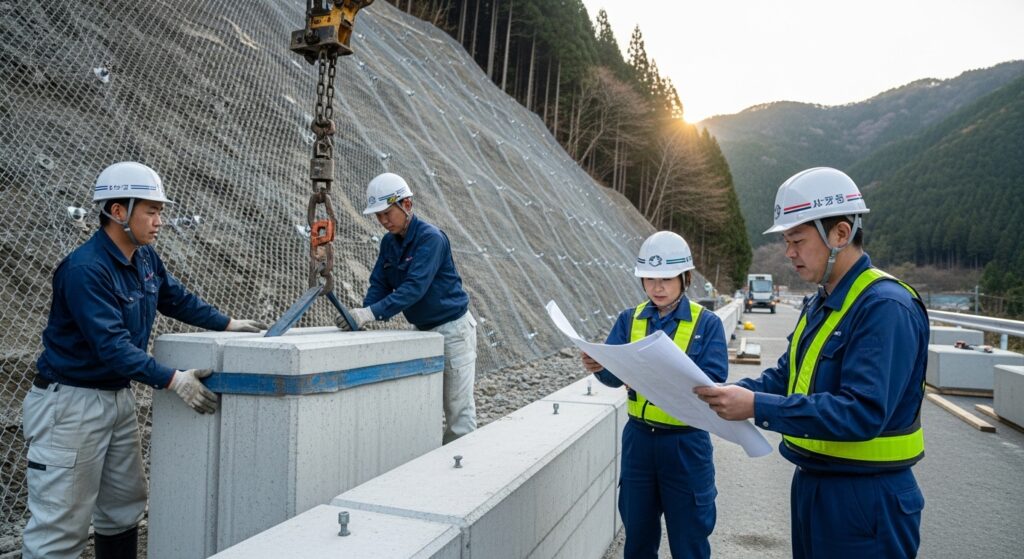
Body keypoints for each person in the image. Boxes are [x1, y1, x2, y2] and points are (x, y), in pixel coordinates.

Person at [22, 161, 266, 559]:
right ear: (118, 212)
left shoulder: (144, 258)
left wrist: (229, 323)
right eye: (150, 211)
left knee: (122, 507)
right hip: (70, 406)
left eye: (160, 211)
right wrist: (174, 380)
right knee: (59, 527)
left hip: (115, 398)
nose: (159, 221)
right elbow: (112, 346)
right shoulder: (86, 269)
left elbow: (176, 298)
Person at [694, 167, 928, 559]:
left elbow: (862, 411)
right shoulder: (821, 301)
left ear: (841, 233)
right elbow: (788, 376)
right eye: (787, 241)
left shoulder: (885, 307)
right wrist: (731, 394)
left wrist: (755, 407)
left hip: (868, 499)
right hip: (815, 484)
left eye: (798, 240)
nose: (789, 252)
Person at [581, 231, 727, 559]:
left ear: (684, 277)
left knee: (689, 542)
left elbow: (715, 383)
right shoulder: (628, 319)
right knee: (638, 540)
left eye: (665, 279)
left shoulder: (708, 324)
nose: (656, 287)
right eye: (649, 279)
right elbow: (612, 377)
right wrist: (598, 365)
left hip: (686, 444)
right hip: (639, 444)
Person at [338, 172, 477, 444]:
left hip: (453, 330)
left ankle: (462, 473)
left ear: (407, 205)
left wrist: (371, 314)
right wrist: (365, 314)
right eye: (378, 215)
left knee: (458, 410)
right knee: (424, 404)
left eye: (387, 213)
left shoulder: (431, 239)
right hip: (423, 329)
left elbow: (415, 287)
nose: (383, 221)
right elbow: (380, 282)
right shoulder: (390, 243)